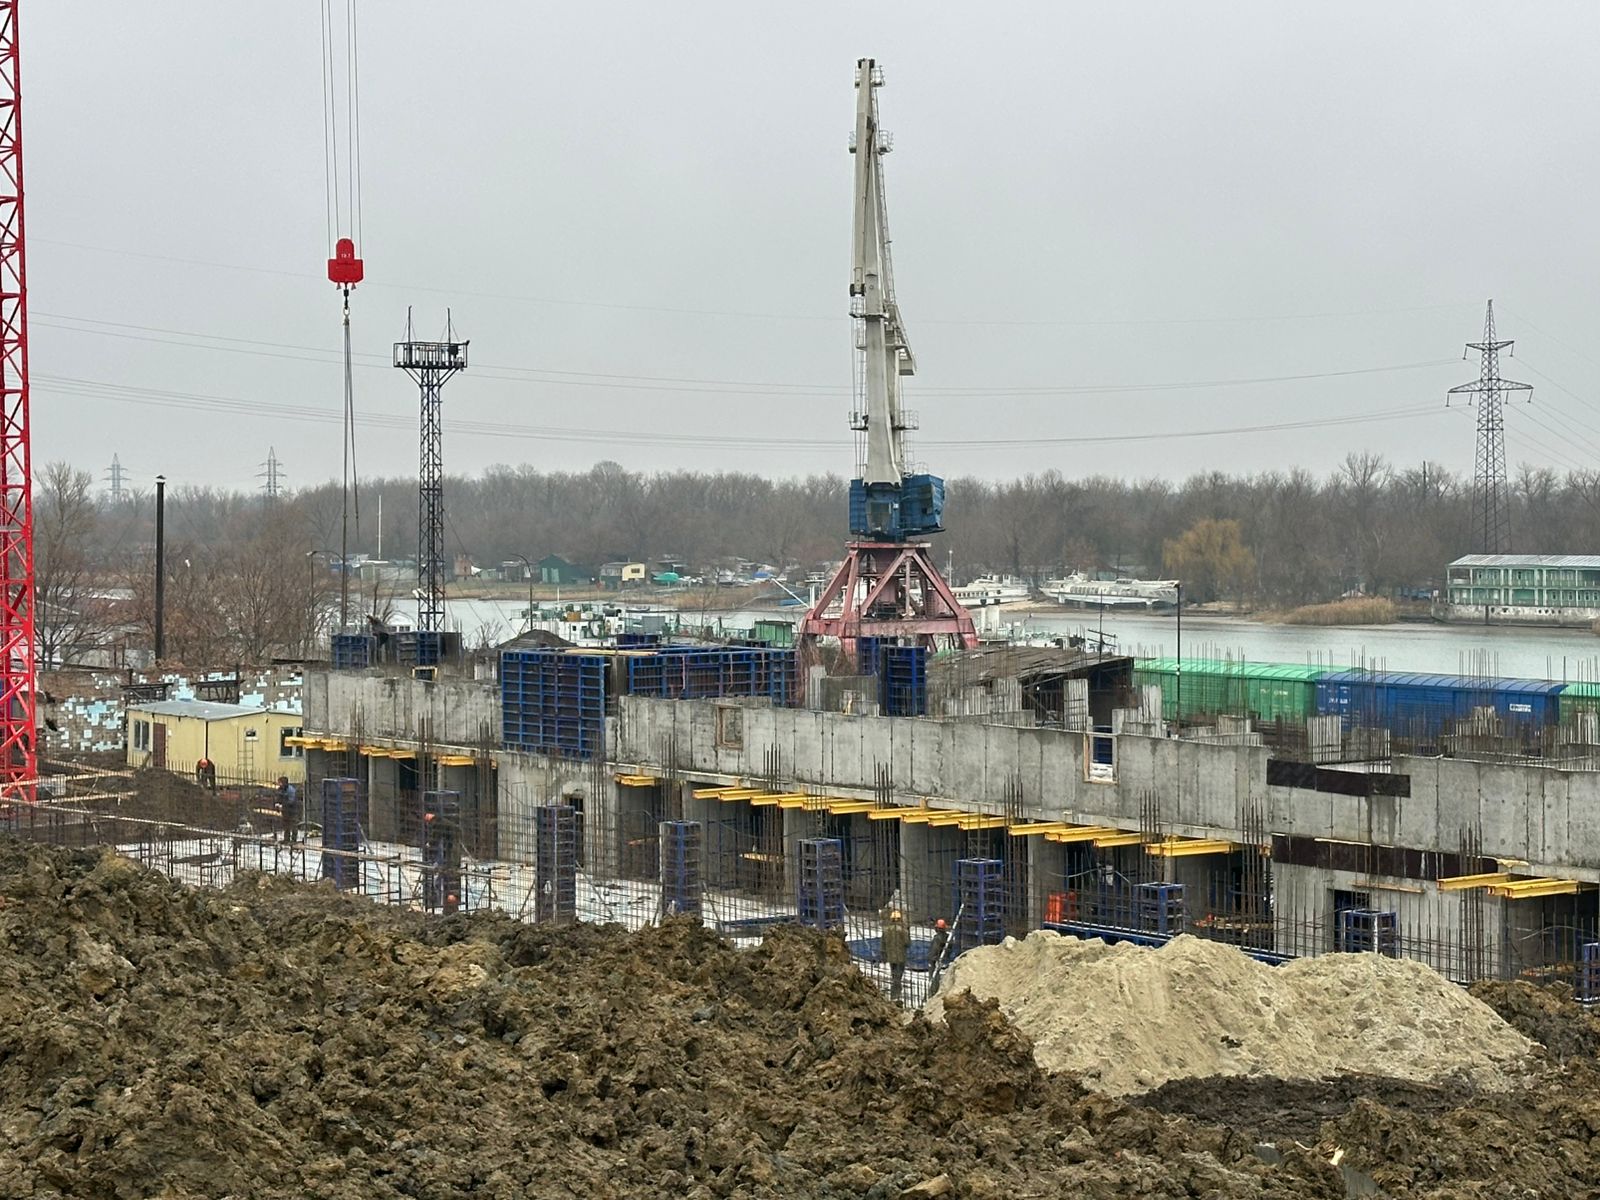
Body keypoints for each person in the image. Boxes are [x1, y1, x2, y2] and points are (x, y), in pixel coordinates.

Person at [881, 906, 910, 1003]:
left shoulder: (886, 931)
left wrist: (883, 955)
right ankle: (896, 993)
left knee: (894, 974)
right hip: (901, 957)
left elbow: (883, 944)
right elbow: (907, 943)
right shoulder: (903, 931)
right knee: (898, 976)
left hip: (890, 957)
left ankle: (895, 992)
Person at [928, 918, 951, 994]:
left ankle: (933, 992)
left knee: (933, 978)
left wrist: (932, 959)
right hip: (941, 959)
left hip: (934, 960)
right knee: (937, 978)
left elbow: (934, 950)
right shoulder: (947, 937)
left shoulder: (937, 938)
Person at [277, 776, 301, 844]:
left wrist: (283, 805)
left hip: (293, 810)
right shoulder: (280, 789)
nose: (279, 784)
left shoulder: (291, 790)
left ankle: (294, 839)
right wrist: (277, 803)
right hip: (285, 810)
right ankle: (286, 839)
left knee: (293, 824)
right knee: (286, 824)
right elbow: (278, 797)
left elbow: (291, 801)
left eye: (280, 783)